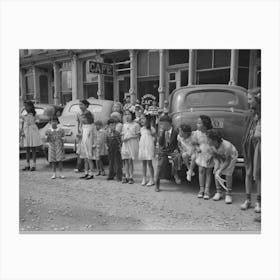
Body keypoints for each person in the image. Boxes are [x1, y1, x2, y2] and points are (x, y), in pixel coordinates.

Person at [240, 88, 261, 213]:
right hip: (249, 144)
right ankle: (248, 199)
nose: (248, 102)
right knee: (248, 172)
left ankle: (259, 201)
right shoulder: (248, 114)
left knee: (259, 174)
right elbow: (245, 130)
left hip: (259, 144)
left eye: (250, 99)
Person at [206, 129, 238, 204]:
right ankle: (219, 192)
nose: (207, 141)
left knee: (228, 173)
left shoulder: (227, 146)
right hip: (220, 156)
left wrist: (221, 169)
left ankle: (228, 193)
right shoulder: (211, 145)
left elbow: (227, 160)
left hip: (230, 157)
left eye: (209, 139)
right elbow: (215, 156)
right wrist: (217, 166)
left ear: (215, 140)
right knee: (216, 172)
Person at [155, 115, 179, 192]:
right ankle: (157, 184)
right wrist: (161, 134)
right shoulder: (162, 132)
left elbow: (177, 143)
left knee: (175, 159)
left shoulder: (175, 132)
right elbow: (161, 143)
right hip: (164, 152)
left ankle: (175, 175)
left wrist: (176, 150)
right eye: (161, 124)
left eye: (163, 124)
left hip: (172, 151)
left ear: (168, 123)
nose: (162, 126)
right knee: (159, 166)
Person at [192, 115, 214, 200]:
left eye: (199, 123)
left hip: (209, 153)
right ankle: (201, 189)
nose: (197, 124)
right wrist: (197, 147)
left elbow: (214, 144)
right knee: (201, 170)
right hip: (201, 153)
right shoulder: (197, 133)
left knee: (208, 172)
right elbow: (194, 143)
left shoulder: (211, 133)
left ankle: (207, 190)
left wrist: (212, 155)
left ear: (205, 124)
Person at [20, 100, 42, 171]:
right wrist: (22, 132)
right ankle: (27, 165)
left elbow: (39, 121)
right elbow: (22, 123)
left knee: (33, 149)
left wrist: (34, 124)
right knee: (27, 149)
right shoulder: (24, 115)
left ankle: (34, 165)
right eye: (25, 106)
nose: (26, 108)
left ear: (31, 106)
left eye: (27, 106)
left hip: (32, 132)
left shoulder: (35, 115)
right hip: (26, 132)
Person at [77, 99, 95, 180]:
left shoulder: (88, 113)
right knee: (84, 155)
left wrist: (89, 132)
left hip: (88, 132)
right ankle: (86, 172)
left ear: (85, 105)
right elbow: (81, 124)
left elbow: (91, 124)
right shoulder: (80, 114)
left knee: (89, 154)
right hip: (84, 131)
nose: (80, 106)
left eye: (81, 105)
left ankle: (91, 173)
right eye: (79, 105)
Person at [121, 109, 140, 184]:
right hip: (125, 144)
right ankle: (126, 175)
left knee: (130, 160)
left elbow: (137, 135)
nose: (127, 116)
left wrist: (130, 137)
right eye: (125, 115)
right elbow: (122, 135)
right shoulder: (124, 125)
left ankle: (131, 176)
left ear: (132, 115)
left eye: (128, 114)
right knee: (125, 160)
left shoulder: (136, 125)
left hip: (132, 144)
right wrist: (123, 139)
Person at [138, 115, 156, 186]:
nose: (141, 120)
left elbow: (154, 137)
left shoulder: (151, 128)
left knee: (149, 163)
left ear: (147, 120)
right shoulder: (141, 128)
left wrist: (152, 145)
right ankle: (144, 178)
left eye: (143, 118)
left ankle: (152, 179)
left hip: (148, 146)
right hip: (143, 146)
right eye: (141, 119)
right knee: (144, 163)